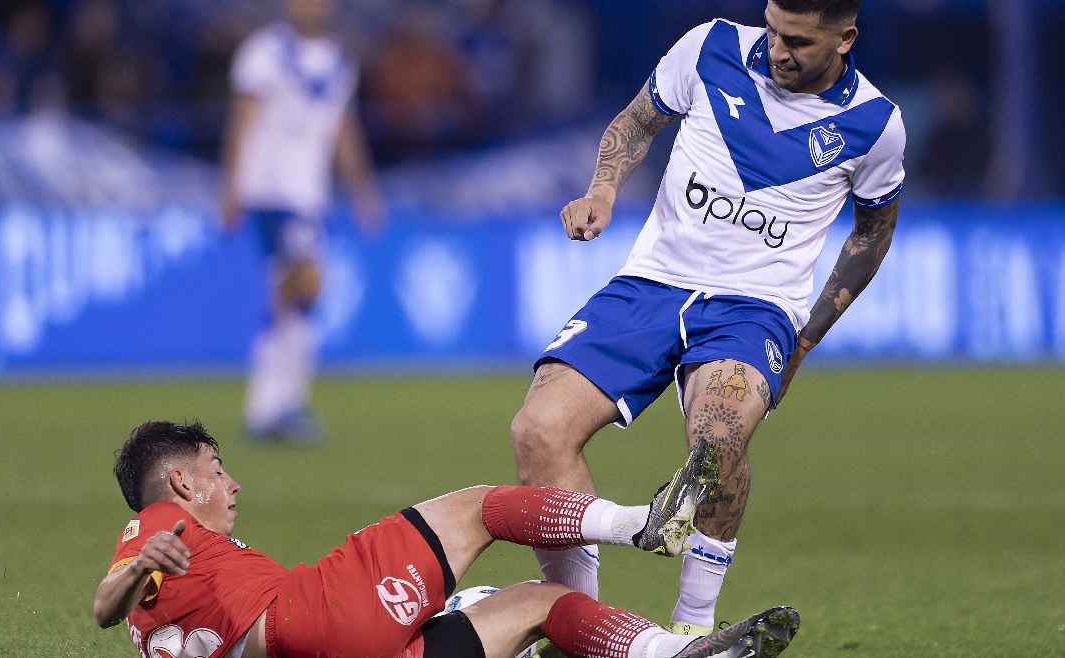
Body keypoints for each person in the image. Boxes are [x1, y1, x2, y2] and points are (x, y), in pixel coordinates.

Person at [510, 0, 904, 639]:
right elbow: (637, 121)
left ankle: (692, 628)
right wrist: (603, 189)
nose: (777, 50)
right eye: (773, 30)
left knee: (719, 437)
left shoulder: (875, 125)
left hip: (754, 307)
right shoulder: (709, 47)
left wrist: (804, 340)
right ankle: (579, 630)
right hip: (651, 284)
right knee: (538, 431)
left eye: (798, 41)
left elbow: (871, 235)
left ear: (845, 39)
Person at [94, 421, 800, 658]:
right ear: (181, 482)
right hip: (310, 617)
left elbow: (119, 613)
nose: (233, 484)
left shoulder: (162, 611)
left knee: (536, 603)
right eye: (217, 469)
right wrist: (136, 565)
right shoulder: (157, 525)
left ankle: (676, 654)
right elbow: (103, 603)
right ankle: (641, 524)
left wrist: (138, 579)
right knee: (475, 508)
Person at [220, 0, 382, 443]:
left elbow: (342, 129)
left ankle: (270, 407)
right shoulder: (263, 53)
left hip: (310, 193)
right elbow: (242, 120)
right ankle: (278, 404)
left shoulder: (338, 61)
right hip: (270, 188)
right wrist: (230, 187)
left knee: (289, 296)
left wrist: (362, 190)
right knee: (308, 282)